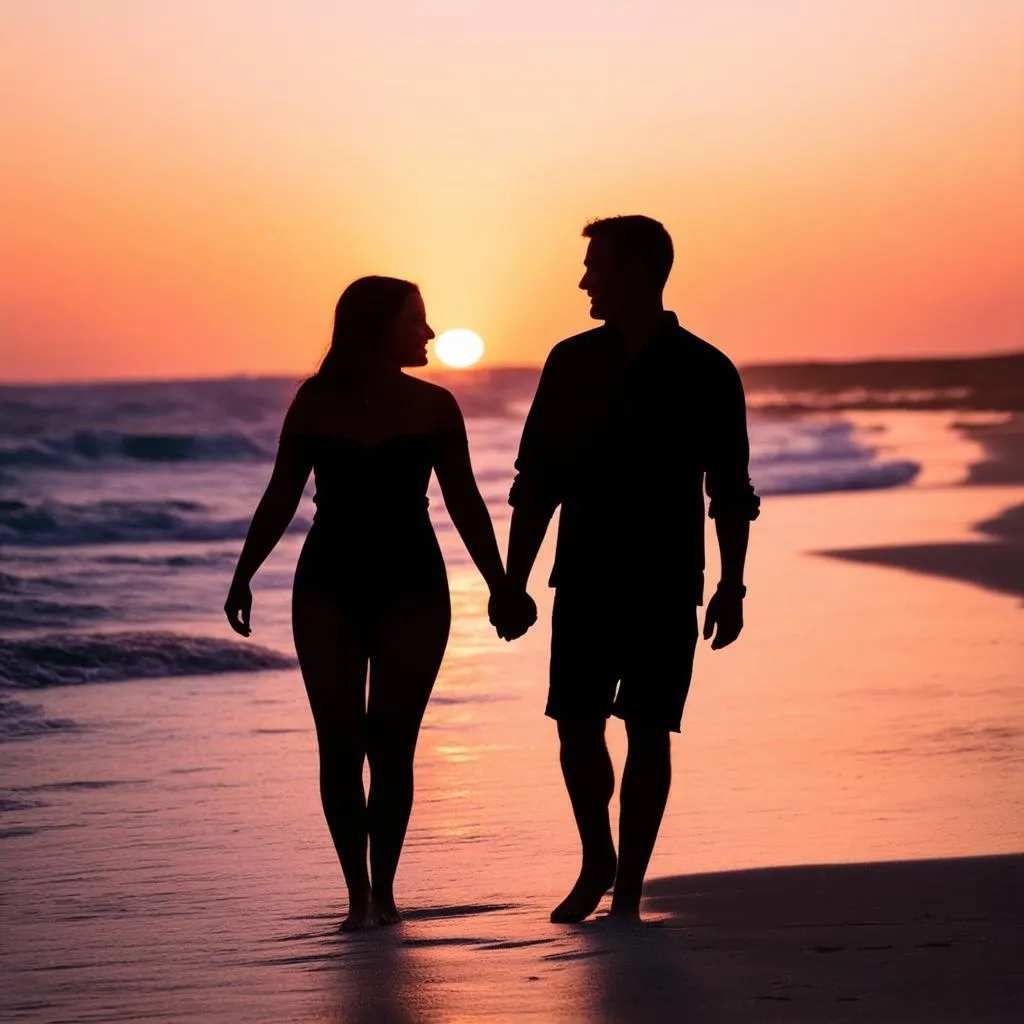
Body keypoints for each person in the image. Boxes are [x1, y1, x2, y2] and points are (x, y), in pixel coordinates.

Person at [225, 276, 523, 931]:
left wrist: (501, 583)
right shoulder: (313, 403)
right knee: (339, 744)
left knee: (392, 745)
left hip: (413, 584)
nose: (429, 332)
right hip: (327, 583)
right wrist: (243, 572)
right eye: (416, 320)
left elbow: (465, 502)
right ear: (376, 327)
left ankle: (384, 893)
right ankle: (356, 895)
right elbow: (281, 495)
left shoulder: (436, 406)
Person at [498, 216, 760, 923]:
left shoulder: (706, 369)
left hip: (668, 578)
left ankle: (631, 892)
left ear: (638, 270)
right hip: (582, 575)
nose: (584, 279)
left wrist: (732, 586)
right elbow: (537, 479)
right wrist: (513, 580)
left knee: (649, 728)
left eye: (596, 265)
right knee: (576, 726)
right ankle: (597, 860)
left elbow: (729, 490)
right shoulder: (571, 361)